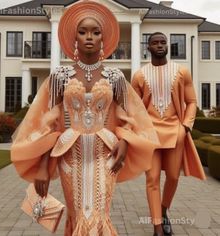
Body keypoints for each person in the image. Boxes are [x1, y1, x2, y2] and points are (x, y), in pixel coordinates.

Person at [11, 1, 159, 235]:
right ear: (75, 38)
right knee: (78, 213)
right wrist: (42, 166)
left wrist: (125, 141)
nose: (89, 36)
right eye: (83, 32)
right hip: (70, 156)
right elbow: (48, 124)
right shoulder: (59, 76)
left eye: (95, 32)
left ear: (103, 38)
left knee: (99, 214)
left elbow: (129, 117)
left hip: (106, 154)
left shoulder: (116, 76)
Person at [131, 32, 206, 236]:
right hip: (150, 134)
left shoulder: (182, 72)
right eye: (155, 43)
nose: (160, 45)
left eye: (163, 42)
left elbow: (191, 102)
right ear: (148, 48)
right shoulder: (139, 75)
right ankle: (157, 227)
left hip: (175, 132)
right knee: (152, 178)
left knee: (173, 177)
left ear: (168, 46)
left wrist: (186, 127)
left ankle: (163, 210)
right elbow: (134, 108)